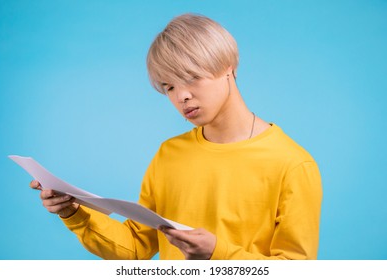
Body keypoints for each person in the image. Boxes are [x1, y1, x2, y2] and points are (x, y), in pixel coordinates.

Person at [30, 13, 322, 260]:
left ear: (228, 69)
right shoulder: (170, 153)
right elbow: (135, 246)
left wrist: (216, 254)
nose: (182, 95)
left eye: (192, 77)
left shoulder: (293, 164)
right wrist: (75, 213)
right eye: (169, 86)